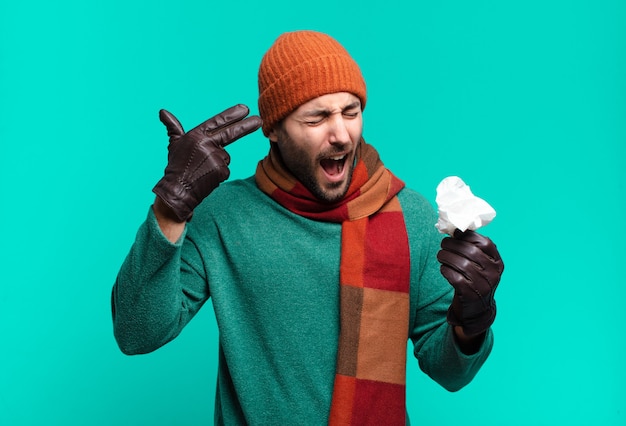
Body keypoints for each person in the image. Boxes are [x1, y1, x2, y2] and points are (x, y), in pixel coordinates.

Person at [112, 30, 504, 425]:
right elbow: (136, 332)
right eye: (316, 117)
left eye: (350, 112)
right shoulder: (223, 216)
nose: (340, 134)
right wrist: (170, 209)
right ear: (273, 129)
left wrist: (472, 320)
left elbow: (449, 372)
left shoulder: (410, 217)